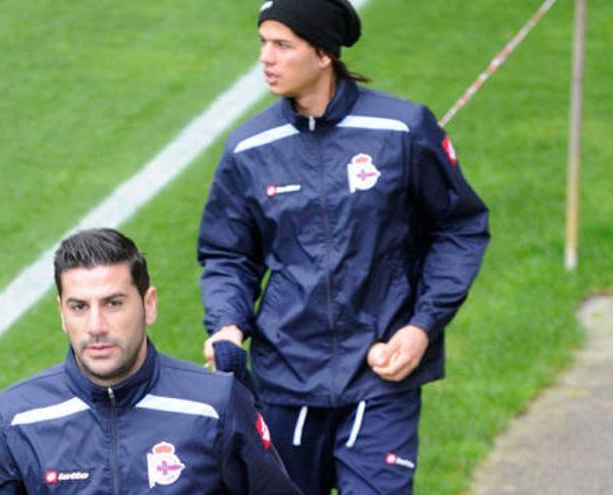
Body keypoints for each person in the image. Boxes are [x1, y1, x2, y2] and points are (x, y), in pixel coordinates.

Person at [197, 1, 490, 494]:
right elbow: (229, 254)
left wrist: (421, 328)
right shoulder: (248, 149)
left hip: (381, 377)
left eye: (282, 45)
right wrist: (227, 323)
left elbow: (459, 228)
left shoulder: (402, 130)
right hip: (285, 379)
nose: (266, 57)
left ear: (323, 53)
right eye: (263, 42)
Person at [0, 228, 301, 494]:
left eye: (113, 303)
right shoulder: (17, 419)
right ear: (62, 314)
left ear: (148, 304)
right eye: (79, 307)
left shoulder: (215, 406)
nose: (96, 326)